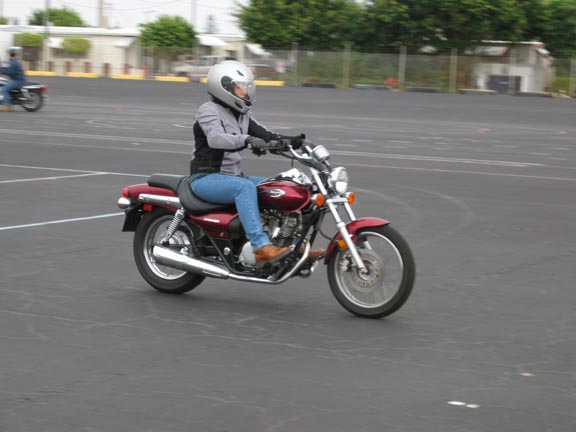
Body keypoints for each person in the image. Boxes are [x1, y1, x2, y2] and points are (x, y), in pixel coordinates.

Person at [189, 60, 324, 268]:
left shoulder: (242, 115)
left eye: (246, 87)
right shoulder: (208, 110)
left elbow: (266, 135)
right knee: (245, 188)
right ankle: (260, 246)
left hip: (233, 176)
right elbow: (216, 138)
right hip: (206, 177)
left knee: (281, 189)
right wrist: (247, 140)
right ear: (224, 87)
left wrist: (295, 142)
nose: (245, 92)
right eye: (240, 87)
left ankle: (293, 245)